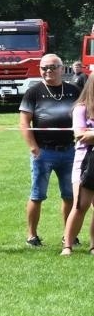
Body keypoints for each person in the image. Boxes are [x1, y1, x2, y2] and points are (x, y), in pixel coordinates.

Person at [20, 53, 81, 247]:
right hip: (43, 152)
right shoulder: (33, 92)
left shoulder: (73, 90)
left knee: (70, 195)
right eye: (44, 68)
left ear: (62, 69)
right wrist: (33, 147)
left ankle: (68, 235)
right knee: (37, 195)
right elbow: (24, 122)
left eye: (52, 67)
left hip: (71, 151)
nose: (47, 71)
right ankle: (32, 236)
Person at [64, 76, 94, 253]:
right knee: (80, 205)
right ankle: (67, 245)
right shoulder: (81, 109)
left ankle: (93, 245)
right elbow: (81, 135)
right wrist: (88, 135)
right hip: (85, 162)